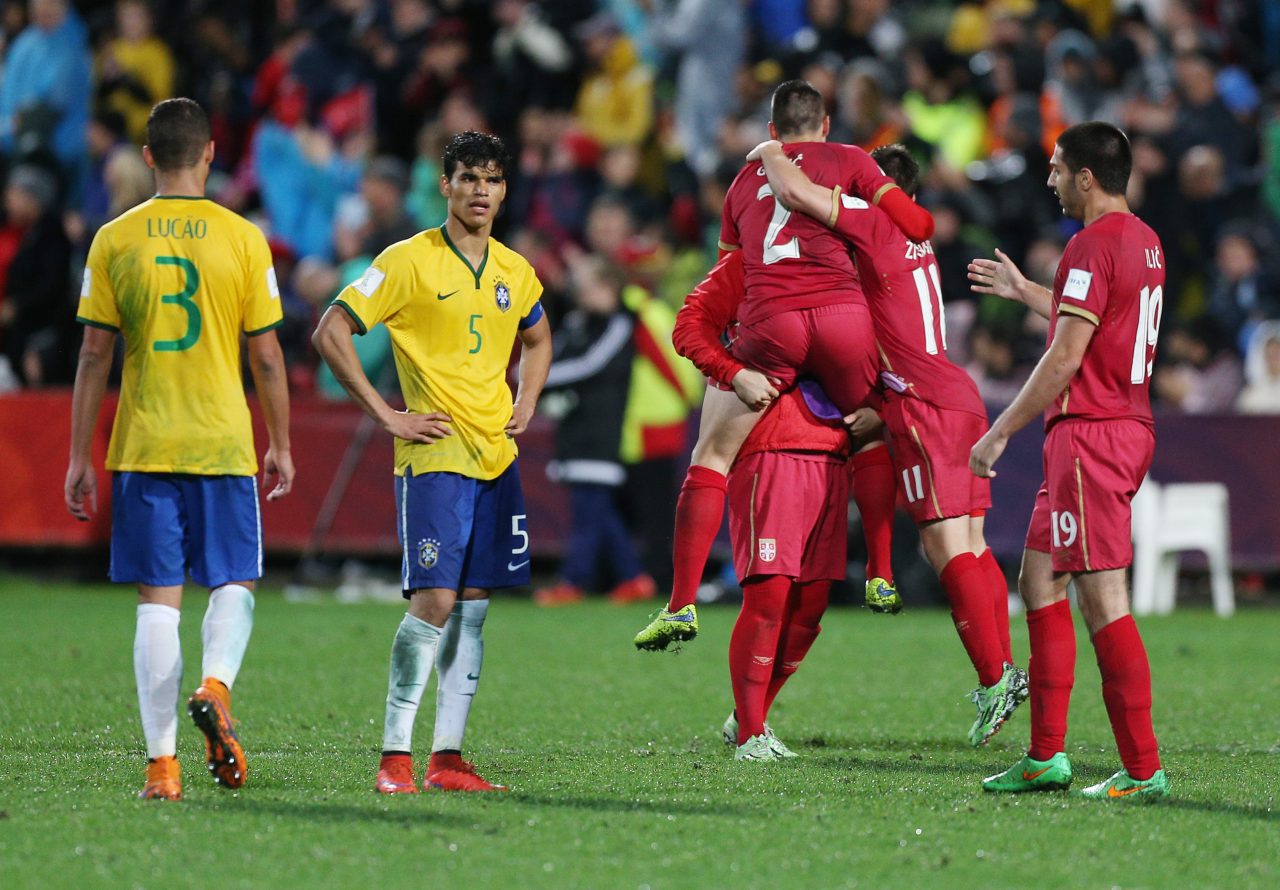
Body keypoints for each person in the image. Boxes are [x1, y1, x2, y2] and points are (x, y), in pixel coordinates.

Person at [636, 80, 935, 649]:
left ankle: (681, 603)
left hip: (773, 323)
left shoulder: (743, 181)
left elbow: (730, 277)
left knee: (711, 457)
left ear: (771, 132)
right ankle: (880, 572)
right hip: (845, 322)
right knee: (870, 434)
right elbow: (915, 229)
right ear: (826, 126)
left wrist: (737, 371)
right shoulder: (851, 166)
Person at [749, 141, 1029, 747]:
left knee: (945, 545)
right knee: (972, 544)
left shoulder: (872, 222)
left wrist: (770, 149)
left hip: (924, 404)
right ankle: (1003, 673)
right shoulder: (913, 237)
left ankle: (995, 677)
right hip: (953, 393)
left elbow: (796, 192)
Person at [65, 98, 295, 801]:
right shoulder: (243, 238)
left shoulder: (113, 239)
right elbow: (266, 358)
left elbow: (94, 353)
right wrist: (281, 440)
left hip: (144, 442)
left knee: (156, 603)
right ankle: (216, 688)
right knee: (233, 581)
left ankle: (162, 769)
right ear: (209, 153)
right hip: (221, 440)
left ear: (146, 157)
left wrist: (79, 455)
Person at [312, 131, 552, 795]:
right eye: (468, 178)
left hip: (495, 458)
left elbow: (538, 335)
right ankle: (395, 759)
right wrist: (386, 415)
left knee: (472, 608)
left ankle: (447, 759)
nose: (481, 191)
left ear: (505, 189)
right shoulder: (406, 261)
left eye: (493, 179)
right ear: (444, 185)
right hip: (435, 456)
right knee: (435, 600)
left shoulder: (513, 269)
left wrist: (527, 398)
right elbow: (331, 330)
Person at [967, 121, 1170, 800]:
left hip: (1091, 436)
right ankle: (1046, 757)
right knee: (1039, 579)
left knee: (1103, 599)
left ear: (1086, 177)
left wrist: (1000, 431)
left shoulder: (1088, 245)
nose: (1049, 181)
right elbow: (1090, 317)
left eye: (1056, 170)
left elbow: (1065, 354)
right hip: (1119, 426)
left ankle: (1143, 771)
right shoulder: (1142, 240)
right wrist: (1027, 290)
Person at [534, 255, 653, 606]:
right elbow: (553, 352)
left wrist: (537, 378)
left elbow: (591, 364)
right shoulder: (576, 321)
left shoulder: (619, 324)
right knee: (597, 510)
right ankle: (634, 577)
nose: (581, 289)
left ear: (611, 287)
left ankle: (573, 582)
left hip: (600, 431)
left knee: (590, 511)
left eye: (590, 283)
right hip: (573, 428)